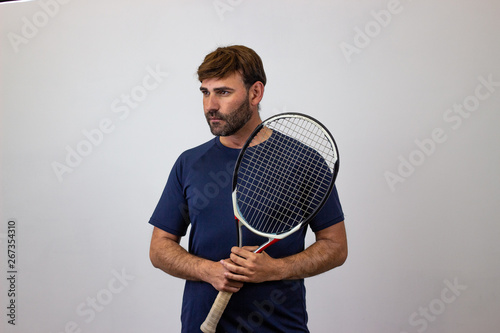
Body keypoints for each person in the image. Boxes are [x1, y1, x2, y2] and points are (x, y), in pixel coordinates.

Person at [149, 45, 347, 332]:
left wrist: (276, 269)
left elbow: (336, 246)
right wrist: (209, 271)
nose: (210, 105)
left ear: (255, 93)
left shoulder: (304, 160)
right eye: (205, 92)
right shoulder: (189, 163)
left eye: (223, 92)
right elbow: (159, 248)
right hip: (201, 325)